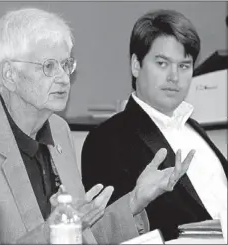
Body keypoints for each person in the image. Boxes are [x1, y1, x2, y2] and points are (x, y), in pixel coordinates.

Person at [0, 7, 196, 244]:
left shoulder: (58, 130)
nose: (64, 78)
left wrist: (136, 199)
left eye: (66, 65)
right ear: (9, 75)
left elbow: (84, 235)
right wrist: (52, 232)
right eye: (49, 66)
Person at [81, 9, 228, 241]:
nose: (174, 77)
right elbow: (105, 232)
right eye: (162, 63)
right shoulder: (107, 139)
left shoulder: (195, 129)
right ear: (136, 65)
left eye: (184, 66)